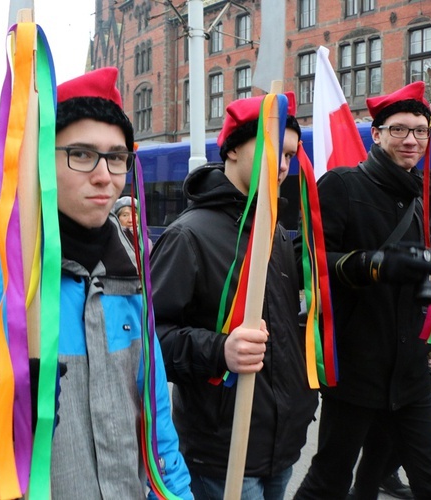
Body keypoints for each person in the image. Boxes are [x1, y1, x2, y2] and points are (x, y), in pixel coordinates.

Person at [0, 67, 192, 498]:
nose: (104, 175)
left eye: (117, 156)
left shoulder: (130, 279)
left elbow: (157, 428)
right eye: (82, 154)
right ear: (41, 160)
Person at [293, 81, 431, 500]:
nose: (412, 140)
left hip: (409, 378)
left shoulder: (419, 202)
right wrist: (375, 264)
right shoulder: (342, 186)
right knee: (329, 480)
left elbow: (423, 285)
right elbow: (306, 264)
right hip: (355, 372)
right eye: (400, 129)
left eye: (421, 131)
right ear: (377, 133)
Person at [149, 92, 319, 500]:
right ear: (232, 150)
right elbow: (150, 342)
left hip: (279, 443)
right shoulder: (187, 236)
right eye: (271, 149)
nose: (281, 166)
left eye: (290, 155)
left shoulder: (274, 232)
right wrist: (220, 349)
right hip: (222, 450)